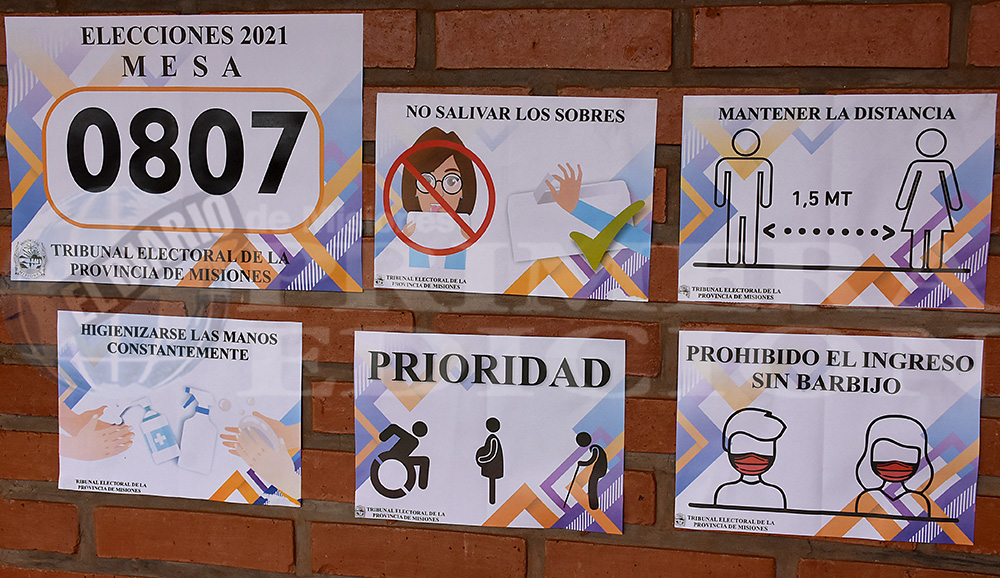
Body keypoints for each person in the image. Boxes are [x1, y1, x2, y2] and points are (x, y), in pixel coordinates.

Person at [400, 127, 477, 270]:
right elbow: (412, 273)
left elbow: (465, 273)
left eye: (451, 181)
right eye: (426, 181)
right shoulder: (410, 234)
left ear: (464, 190)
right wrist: (407, 241)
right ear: (414, 189)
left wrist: (468, 243)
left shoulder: (464, 235)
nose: (439, 193)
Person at [895, 128, 963, 270]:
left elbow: (950, 185)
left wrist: (903, 203)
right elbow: (909, 185)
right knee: (925, 233)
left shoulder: (938, 165)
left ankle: (929, 264)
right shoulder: (924, 165)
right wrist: (955, 204)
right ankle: (925, 264)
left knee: (929, 233)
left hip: (929, 204)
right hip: (927, 204)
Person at [713, 128, 773, 265]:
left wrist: (720, 202)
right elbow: (720, 186)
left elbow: (766, 186)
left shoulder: (762, 163)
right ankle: (733, 258)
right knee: (735, 230)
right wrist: (765, 202)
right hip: (738, 204)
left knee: (749, 231)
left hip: (748, 204)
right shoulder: (726, 163)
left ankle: (746, 259)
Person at [854, 415, 933, 517]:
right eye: (884, 452)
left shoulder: (919, 500)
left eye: (907, 453)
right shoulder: (868, 497)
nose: (896, 463)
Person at [714, 407, 787, 509]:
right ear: (727, 447)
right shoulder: (724, 492)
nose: (753, 455)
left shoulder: (775, 494)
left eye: (763, 446)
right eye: (742, 445)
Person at [576, 431, 607, 510]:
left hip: (599, 469)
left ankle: (593, 504)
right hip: (600, 468)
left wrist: (582, 463)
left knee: (592, 482)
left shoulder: (595, 448)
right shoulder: (597, 447)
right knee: (592, 482)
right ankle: (593, 504)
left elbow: (592, 460)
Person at [476, 417, 504, 505]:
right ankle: (492, 501)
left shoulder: (493, 439)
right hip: (493, 467)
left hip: (493, 467)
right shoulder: (492, 438)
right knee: (492, 483)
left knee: (492, 484)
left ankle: (492, 501)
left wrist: (481, 460)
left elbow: (492, 454)